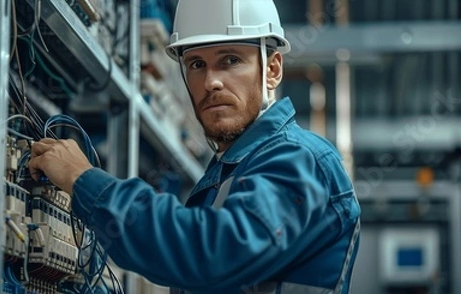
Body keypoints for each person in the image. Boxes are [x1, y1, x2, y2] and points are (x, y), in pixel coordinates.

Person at [28, 0, 361, 293]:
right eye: (196, 64)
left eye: (230, 60)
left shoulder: (301, 160)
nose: (211, 81)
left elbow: (211, 254)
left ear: (272, 69)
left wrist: (83, 179)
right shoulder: (228, 171)